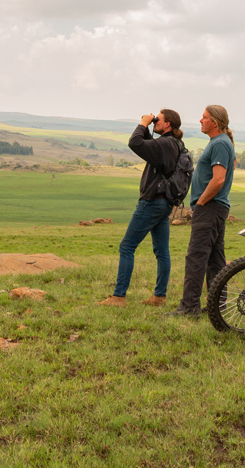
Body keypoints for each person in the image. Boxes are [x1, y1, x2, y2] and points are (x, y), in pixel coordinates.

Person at [99, 109, 187, 307]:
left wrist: (143, 124)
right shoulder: (174, 143)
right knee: (162, 251)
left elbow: (135, 143)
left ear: (168, 124)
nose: (155, 121)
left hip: (152, 202)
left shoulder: (165, 143)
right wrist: (148, 128)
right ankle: (159, 297)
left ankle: (119, 297)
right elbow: (149, 146)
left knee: (127, 246)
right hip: (164, 203)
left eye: (158, 120)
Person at [171, 104, 235, 316]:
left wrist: (200, 203)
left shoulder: (220, 143)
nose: (200, 120)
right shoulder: (221, 142)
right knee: (215, 260)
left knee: (196, 257)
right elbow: (232, 164)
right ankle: (218, 306)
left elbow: (218, 179)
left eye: (204, 117)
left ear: (214, 122)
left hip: (209, 208)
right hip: (215, 207)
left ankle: (189, 307)